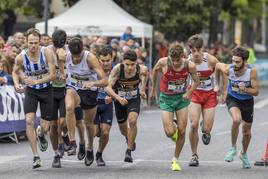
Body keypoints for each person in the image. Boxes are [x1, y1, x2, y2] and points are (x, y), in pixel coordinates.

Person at [58, 37, 108, 167]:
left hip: (89, 91)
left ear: (82, 50)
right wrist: (63, 73)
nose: (75, 59)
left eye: (77, 56)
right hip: (73, 87)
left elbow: (104, 81)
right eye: (73, 57)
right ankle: (73, 141)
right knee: (69, 107)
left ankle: (89, 147)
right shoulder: (66, 54)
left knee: (89, 123)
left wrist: (93, 82)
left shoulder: (90, 58)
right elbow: (59, 57)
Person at [150, 43, 200, 171]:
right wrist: (152, 89)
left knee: (182, 131)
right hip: (166, 98)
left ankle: (175, 160)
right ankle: (173, 129)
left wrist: (189, 93)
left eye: (177, 60)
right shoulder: (163, 62)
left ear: (182, 56)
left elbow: (197, 81)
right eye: (173, 60)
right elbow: (154, 71)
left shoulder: (190, 65)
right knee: (169, 132)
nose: (175, 63)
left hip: (181, 99)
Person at [12, 28, 56, 169]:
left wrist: (37, 81)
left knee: (44, 127)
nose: (33, 45)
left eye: (36, 42)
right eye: (30, 42)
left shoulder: (46, 53)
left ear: (39, 42)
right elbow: (15, 71)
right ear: (26, 41)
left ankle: (41, 134)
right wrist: (17, 84)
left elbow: (52, 74)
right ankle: (36, 157)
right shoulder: (21, 56)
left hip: (47, 90)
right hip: (31, 91)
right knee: (29, 120)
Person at [215, 46, 259, 169]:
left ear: (245, 61)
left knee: (247, 132)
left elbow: (256, 92)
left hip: (247, 102)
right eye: (233, 60)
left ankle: (243, 154)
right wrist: (218, 86)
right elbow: (217, 66)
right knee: (236, 120)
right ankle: (233, 148)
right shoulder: (229, 69)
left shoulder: (252, 71)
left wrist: (245, 89)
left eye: (237, 61)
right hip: (233, 98)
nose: (234, 64)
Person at [187, 35, 227, 167]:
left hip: (209, 94)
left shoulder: (210, 59)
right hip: (194, 94)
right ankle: (194, 155)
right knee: (193, 125)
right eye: (194, 51)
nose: (197, 53)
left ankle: (205, 129)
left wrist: (219, 87)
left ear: (202, 49)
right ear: (190, 50)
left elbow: (221, 70)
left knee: (207, 129)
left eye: (199, 50)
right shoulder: (186, 61)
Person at [106, 49, 148, 163]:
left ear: (137, 63)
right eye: (127, 64)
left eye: (132, 64)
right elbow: (108, 87)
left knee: (133, 121)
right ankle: (128, 138)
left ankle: (128, 151)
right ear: (123, 62)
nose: (129, 67)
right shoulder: (117, 69)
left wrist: (142, 89)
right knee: (123, 129)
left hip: (133, 99)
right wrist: (118, 98)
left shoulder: (142, 69)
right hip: (120, 101)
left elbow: (145, 76)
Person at [93, 46, 114, 166]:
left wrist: (112, 96)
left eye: (108, 60)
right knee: (96, 132)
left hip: (107, 104)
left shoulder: (116, 70)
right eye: (103, 61)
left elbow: (119, 87)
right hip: (94, 104)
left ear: (112, 58)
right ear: (98, 60)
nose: (105, 63)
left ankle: (99, 154)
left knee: (105, 132)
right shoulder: (93, 69)